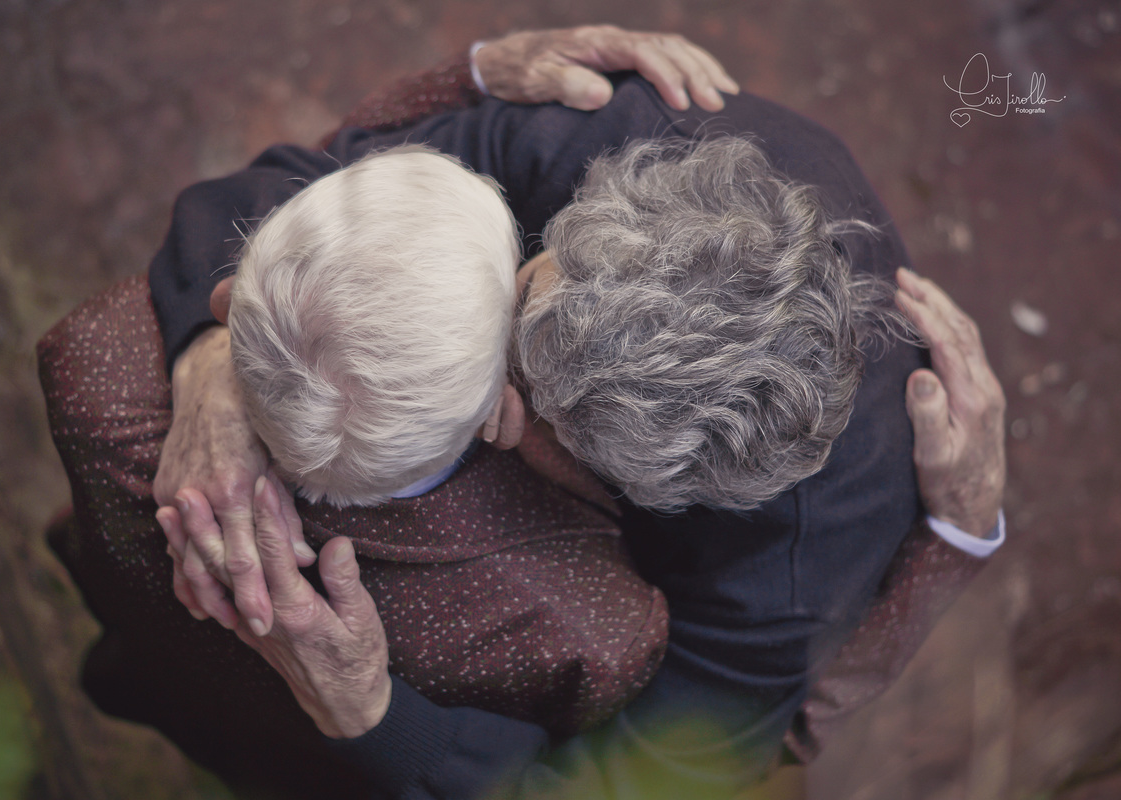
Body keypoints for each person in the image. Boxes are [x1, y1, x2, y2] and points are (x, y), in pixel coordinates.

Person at [151, 27, 1006, 797]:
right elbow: (339, 186)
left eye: (512, 391)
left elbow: (626, 783)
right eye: (527, 280)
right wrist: (211, 356)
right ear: (588, 215)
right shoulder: (605, 132)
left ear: (646, 484)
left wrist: (371, 712)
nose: (480, 368)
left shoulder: (790, 570)